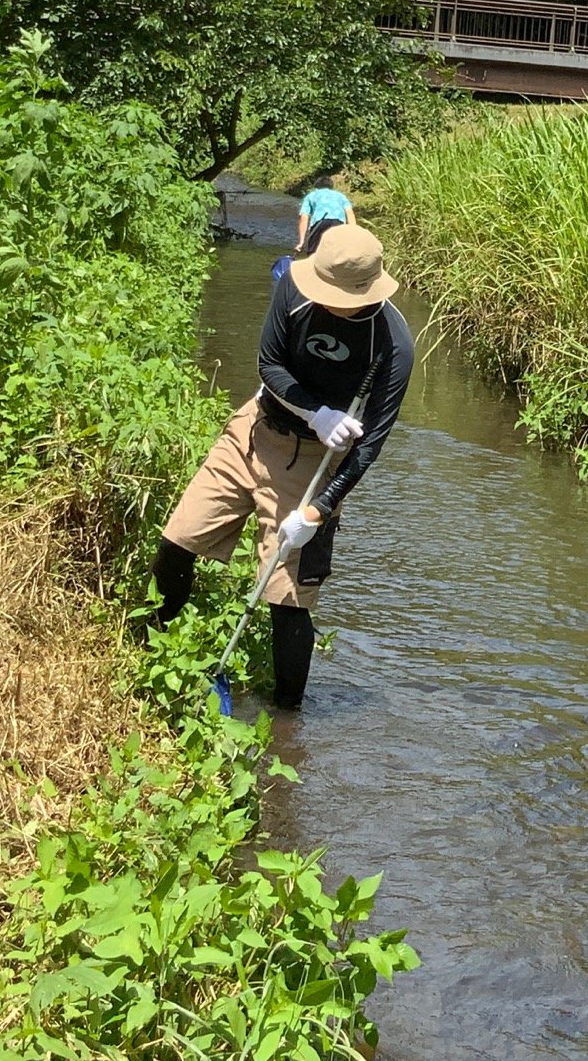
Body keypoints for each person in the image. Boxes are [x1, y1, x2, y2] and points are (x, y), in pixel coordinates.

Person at [154, 221, 414, 708]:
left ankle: (287, 723)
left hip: (315, 466)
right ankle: (152, 655)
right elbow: (269, 365)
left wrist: (315, 514)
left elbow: (371, 443)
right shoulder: (295, 284)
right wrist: (316, 412)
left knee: (288, 601)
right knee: (178, 541)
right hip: (256, 431)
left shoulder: (392, 344)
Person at [273, 187, 352, 283]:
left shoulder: (312, 195)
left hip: (320, 223)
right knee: (337, 253)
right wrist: (353, 234)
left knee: (313, 254)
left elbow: (304, 217)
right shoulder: (340, 196)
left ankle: (314, 281)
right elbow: (350, 214)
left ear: (317, 187)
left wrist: (301, 242)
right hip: (339, 224)